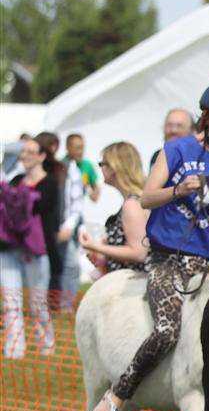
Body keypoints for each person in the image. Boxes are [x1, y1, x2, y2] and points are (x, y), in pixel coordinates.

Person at [90, 80, 209, 411]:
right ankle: (119, 395)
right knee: (166, 331)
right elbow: (145, 198)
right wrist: (178, 190)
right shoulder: (178, 150)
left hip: (205, 265)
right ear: (207, 115)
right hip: (166, 258)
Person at [1, 137, 59, 358]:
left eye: (30, 151)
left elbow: (42, 209)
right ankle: (14, 349)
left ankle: (46, 346)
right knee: (11, 300)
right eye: (22, 151)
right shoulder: (15, 181)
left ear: (42, 155)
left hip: (36, 251)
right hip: (8, 249)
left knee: (38, 302)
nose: (24, 155)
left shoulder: (50, 183)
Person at [78, 142, 149, 274]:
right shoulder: (137, 199)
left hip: (134, 288)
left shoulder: (132, 204)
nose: (100, 168)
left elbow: (138, 253)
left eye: (102, 164)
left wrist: (95, 246)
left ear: (114, 167)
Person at [36, 131, 84, 310]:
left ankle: (65, 307)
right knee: (43, 269)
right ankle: (42, 306)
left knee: (71, 266)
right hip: (40, 229)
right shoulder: (30, 168)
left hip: (61, 227)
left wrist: (68, 225)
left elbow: (76, 200)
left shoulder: (67, 168)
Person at [64, 133, 101, 203]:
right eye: (77, 148)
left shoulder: (87, 165)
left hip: (77, 210)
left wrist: (94, 193)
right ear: (67, 147)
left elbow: (95, 187)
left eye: (82, 148)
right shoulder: (59, 166)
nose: (81, 152)